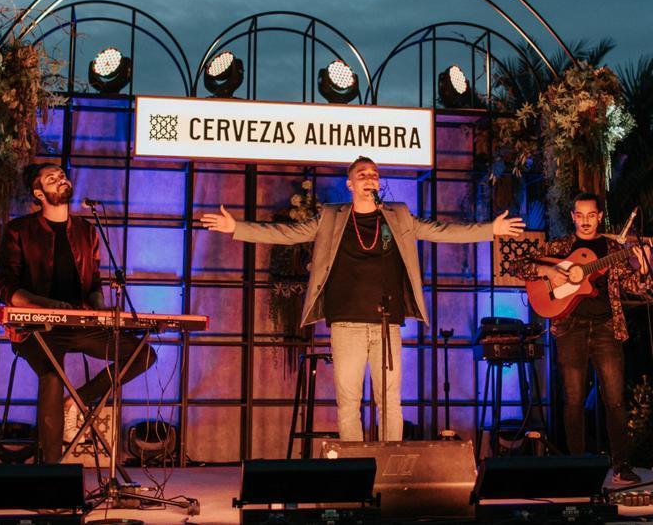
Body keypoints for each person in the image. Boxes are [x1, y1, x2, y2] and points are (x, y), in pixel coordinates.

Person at [201, 156, 524, 441]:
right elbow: (288, 233)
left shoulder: (397, 215)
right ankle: (355, 470)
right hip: (346, 324)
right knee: (349, 402)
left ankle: (389, 470)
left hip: (386, 324)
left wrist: (490, 230)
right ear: (350, 183)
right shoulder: (332, 216)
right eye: (363, 174)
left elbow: (441, 230)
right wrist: (236, 227)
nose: (370, 178)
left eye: (374, 174)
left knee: (390, 401)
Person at [0, 162, 156, 463]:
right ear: (38, 193)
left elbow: (94, 282)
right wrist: (45, 305)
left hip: (79, 325)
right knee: (52, 374)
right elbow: (5, 286)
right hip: (37, 328)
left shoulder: (87, 230)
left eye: (62, 175)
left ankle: (78, 400)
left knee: (143, 355)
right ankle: (51, 474)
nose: (61, 179)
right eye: (52, 178)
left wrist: (99, 309)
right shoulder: (19, 230)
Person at [512, 192, 653, 483]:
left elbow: (635, 287)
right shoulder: (561, 246)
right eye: (580, 215)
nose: (586, 221)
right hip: (570, 327)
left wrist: (642, 266)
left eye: (592, 215)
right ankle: (575, 466)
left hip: (607, 329)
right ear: (573, 216)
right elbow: (517, 265)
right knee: (573, 399)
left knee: (614, 399)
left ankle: (621, 466)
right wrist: (547, 270)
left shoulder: (613, 248)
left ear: (600, 216)